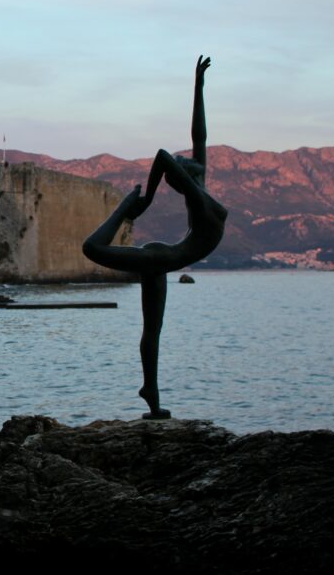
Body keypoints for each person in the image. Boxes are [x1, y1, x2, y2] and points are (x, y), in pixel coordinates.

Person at [82, 55, 227, 419]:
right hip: (159, 259)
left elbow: (200, 136)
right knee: (92, 248)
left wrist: (198, 86)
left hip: (164, 259)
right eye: (186, 163)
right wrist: (141, 201)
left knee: (153, 330)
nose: (189, 160)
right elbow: (165, 157)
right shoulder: (199, 199)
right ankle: (123, 207)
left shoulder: (201, 193)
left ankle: (152, 392)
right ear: (184, 177)